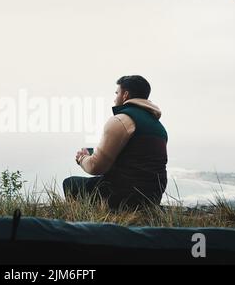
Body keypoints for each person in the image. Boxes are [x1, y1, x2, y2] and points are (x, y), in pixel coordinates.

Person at [63, 75, 168, 210]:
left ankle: (87, 223)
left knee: (70, 183)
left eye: (117, 93)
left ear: (125, 95)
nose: (115, 98)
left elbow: (96, 167)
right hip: (152, 198)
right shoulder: (159, 127)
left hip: (123, 197)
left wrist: (82, 158)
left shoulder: (121, 120)